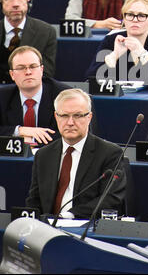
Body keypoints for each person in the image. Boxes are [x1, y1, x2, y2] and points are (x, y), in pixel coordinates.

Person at [26, 88, 126, 219]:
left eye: (77, 115)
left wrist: (69, 215)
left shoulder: (110, 153)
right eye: (64, 116)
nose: (70, 122)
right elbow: (34, 200)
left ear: (89, 117)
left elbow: (110, 199)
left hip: (85, 227)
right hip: (47, 228)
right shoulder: (43, 155)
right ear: (56, 117)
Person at [85, 0, 148, 87]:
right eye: (130, 15)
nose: (135, 20)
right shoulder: (111, 40)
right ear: (124, 18)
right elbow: (90, 79)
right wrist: (114, 56)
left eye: (141, 15)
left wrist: (142, 54)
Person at [0, 46, 71, 145]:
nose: (28, 72)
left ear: (41, 70)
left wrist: (31, 140)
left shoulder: (65, 95)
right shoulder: (3, 96)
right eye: (21, 68)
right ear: (12, 74)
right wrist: (19, 130)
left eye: (33, 66)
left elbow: (75, 133)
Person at [0, 0, 57, 83]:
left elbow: (45, 76)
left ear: (28, 1)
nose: (15, 4)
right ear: (1, 2)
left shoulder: (46, 32)